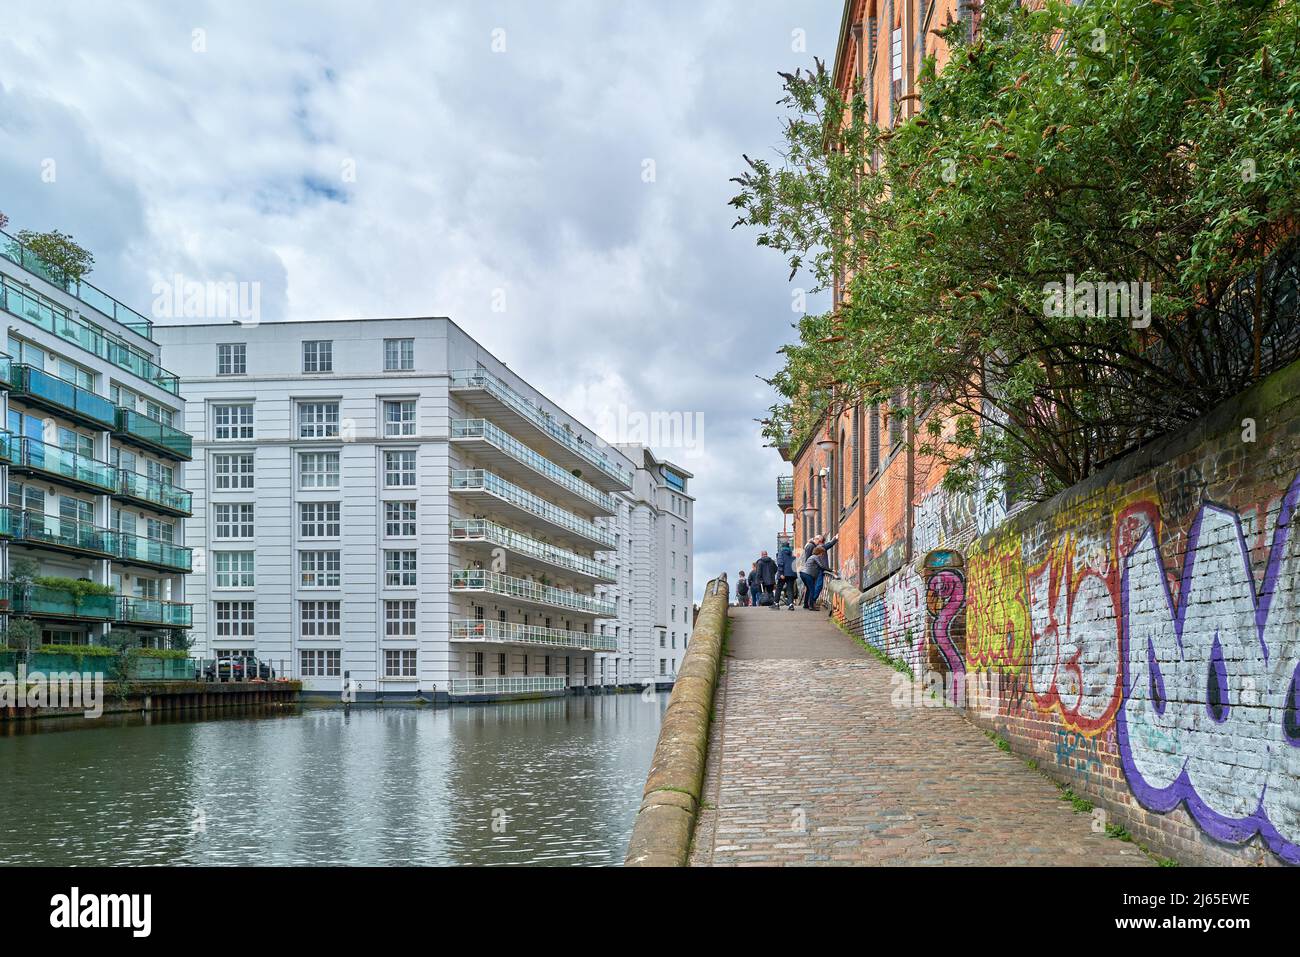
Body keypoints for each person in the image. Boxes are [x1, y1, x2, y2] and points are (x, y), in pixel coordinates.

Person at [775, 540, 797, 609]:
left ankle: (776, 604)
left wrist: (781, 573)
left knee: (779, 588)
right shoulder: (792, 553)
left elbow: (780, 563)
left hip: (783, 573)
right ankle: (791, 605)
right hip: (792, 573)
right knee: (790, 589)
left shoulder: (781, 553)